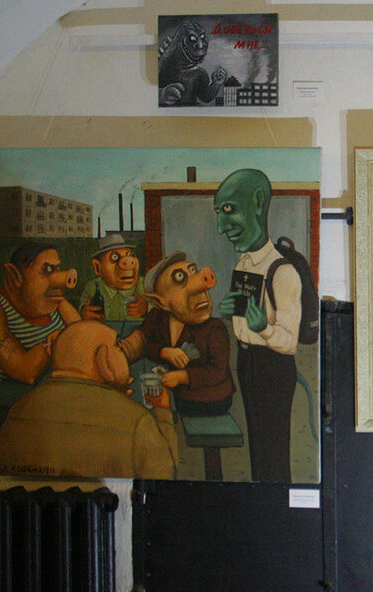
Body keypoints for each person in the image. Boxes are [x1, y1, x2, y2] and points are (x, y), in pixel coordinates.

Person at [0, 320, 178, 479]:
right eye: (118, 347)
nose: (124, 355)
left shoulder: (19, 409)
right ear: (104, 361)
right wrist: (163, 414)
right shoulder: (138, 421)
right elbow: (165, 476)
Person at [214, 168, 301, 482]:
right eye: (218, 212)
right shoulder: (245, 262)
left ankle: (275, 496)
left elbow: (289, 342)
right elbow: (245, 311)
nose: (221, 226)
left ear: (258, 202)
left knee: (273, 447)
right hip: (248, 361)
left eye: (229, 209)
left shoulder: (283, 271)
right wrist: (232, 312)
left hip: (272, 366)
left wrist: (263, 327)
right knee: (257, 443)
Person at [118, 251, 234, 416]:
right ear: (160, 302)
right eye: (180, 278)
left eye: (193, 271)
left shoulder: (215, 329)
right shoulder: (157, 318)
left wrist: (183, 377)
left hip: (211, 400)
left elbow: (217, 372)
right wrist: (163, 352)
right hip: (177, 397)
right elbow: (144, 344)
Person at [0, 242, 81, 426]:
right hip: (13, 408)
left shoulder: (53, 299)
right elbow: (25, 371)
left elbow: (82, 333)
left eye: (57, 269)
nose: (58, 277)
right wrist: (60, 338)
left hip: (53, 393)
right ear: (15, 276)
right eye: (47, 270)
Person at [78, 232, 148, 323]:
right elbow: (82, 309)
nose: (128, 263)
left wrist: (147, 308)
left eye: (130, 255)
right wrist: (84, 313)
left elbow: (159, 308)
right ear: (98, 267)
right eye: (115, 257)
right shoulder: (92, 287)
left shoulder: (145, 285)